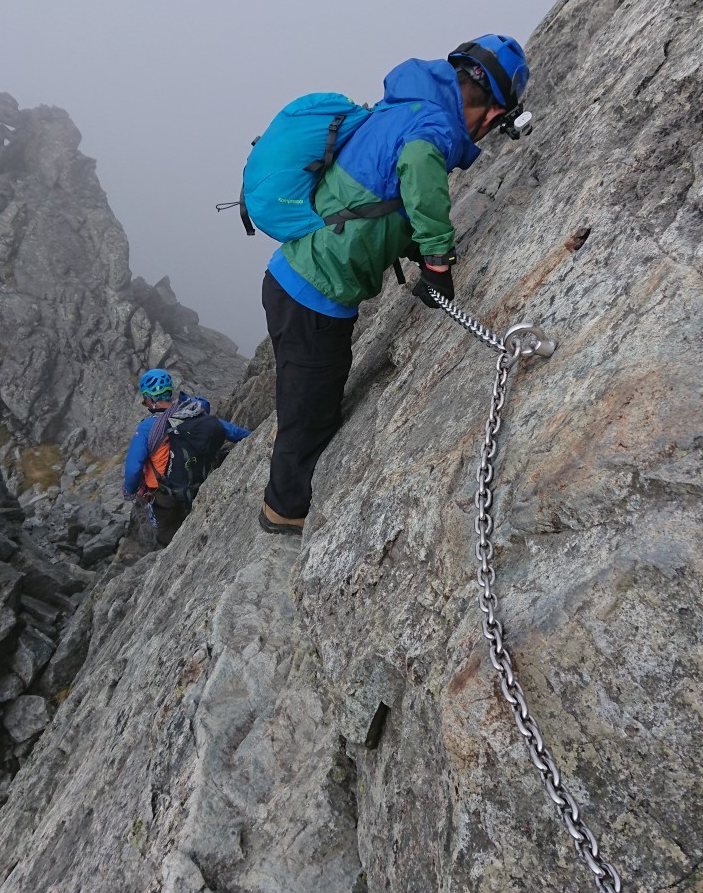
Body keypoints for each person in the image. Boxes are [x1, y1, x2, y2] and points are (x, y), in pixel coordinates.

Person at [259, 35, 529, 536]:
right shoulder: (431, 126)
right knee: (310, 412)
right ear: (493, 114)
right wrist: (438, 264)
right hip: (311, 297)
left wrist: (416, 248)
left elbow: (384, 203)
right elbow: (419, 182)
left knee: (311, 398)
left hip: (300, 285)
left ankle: (290, 492)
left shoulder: (404, 107)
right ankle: (285, 513)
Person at [124, 369, 251, 547]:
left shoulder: (147, 428)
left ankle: (165, 553)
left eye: (145, 399)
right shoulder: (193, 413)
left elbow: (133, 468)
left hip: (166, 495)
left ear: (151, 398)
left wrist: (129, 491)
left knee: (166, 533)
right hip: (201, 483)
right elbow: (235, 432)